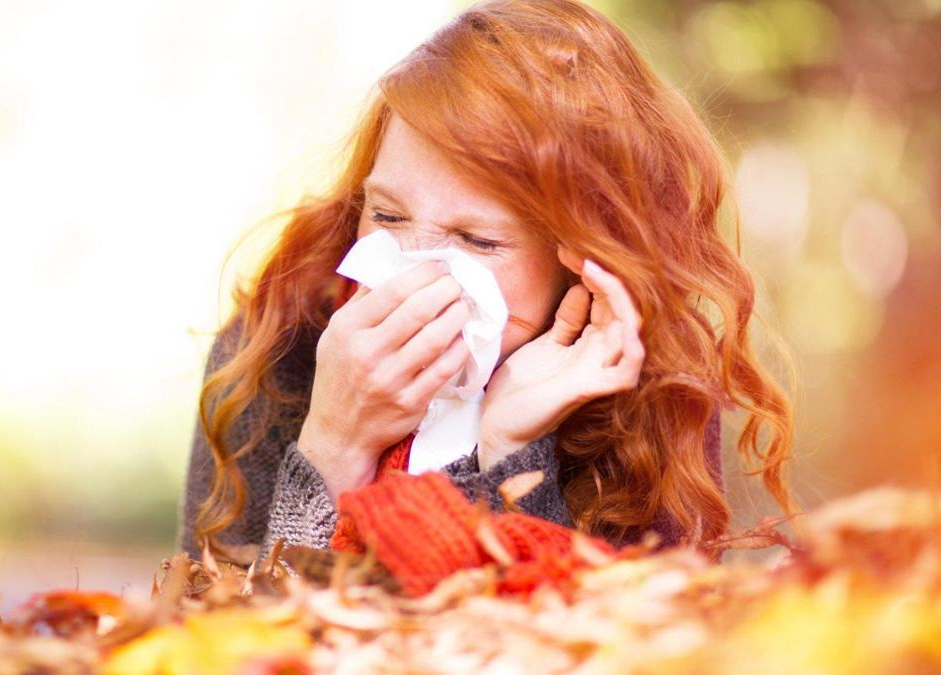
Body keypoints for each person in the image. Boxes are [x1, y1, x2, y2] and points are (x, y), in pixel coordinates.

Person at [177, 0, 799, 566]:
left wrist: (509, 454)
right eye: (388, 216)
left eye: (479, 241)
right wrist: (333, 447)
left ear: (583, 261)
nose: (416, 272)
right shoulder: (276, 346)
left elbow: (610, 651)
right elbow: (221, 645)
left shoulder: (653, 392)